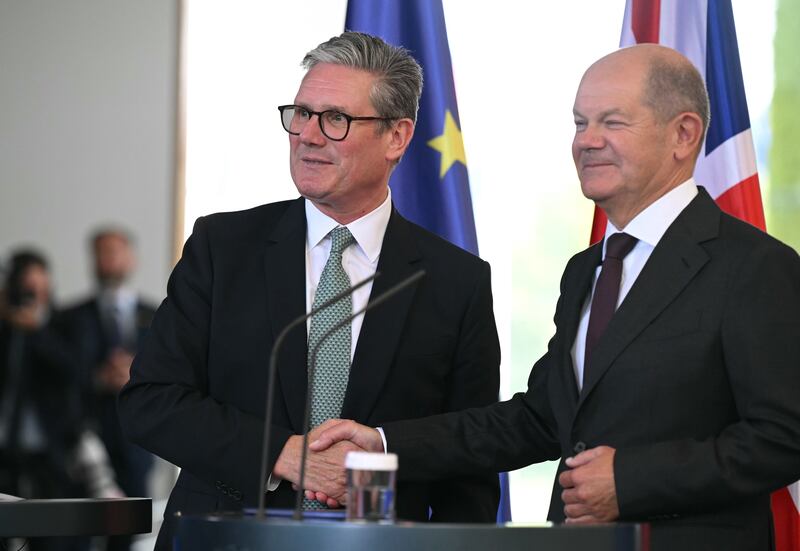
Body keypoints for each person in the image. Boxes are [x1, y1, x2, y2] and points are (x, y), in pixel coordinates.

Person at [310, 44, 800, 551]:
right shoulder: (586, 270)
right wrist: (386, 443)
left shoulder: (754, 266)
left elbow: (785, 436)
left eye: (612, 122)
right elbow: (539, 419)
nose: (587, 141)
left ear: (683, 134)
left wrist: (629, 482)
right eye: (579, 122)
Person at [118, 31, 501, 549]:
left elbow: (467, 462)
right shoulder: (223, 248)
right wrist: (282, 454)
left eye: (336, 119)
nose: (308, 135)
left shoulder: (456, 281)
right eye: (301, 114)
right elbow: (151, 403)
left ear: (397, 137)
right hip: (225, 540)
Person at [65, 228, 156, 551]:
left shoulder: (157, 315)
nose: (109, 260)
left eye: (115, 252)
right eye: (102, 253)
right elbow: (62, 379)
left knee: (129, 530)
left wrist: (135, 372)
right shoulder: (70, 317)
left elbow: (169, 373)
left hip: (137, 440)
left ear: (131, 258)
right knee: (79, 530)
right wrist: (97, 378)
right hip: (87, 441)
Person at [0, 250, 88, 551]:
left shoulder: (65, 323)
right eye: (23, 285)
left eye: (36, 285)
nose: (30, 293)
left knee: (50, 538)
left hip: (51, 454)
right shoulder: (5, 327)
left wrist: (36, 330)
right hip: (5, 452)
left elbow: (75, 371)